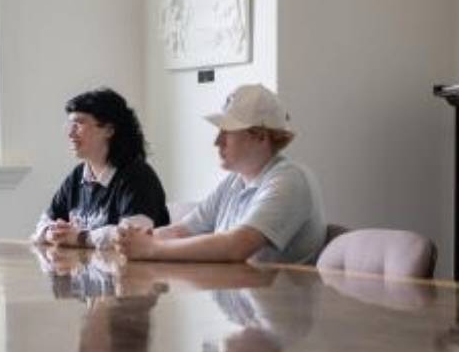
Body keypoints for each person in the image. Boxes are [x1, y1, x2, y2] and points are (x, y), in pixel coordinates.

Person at [115, 84, 325, 264]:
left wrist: (151, 249)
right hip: (240, 300)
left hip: (281, 307)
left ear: (261, 137)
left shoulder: (289, 180)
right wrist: (137, 239)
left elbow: (237, 245)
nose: (217, 142)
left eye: (227, 133)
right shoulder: (235, 180)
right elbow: (183, 231)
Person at [33, 88, 169, 250]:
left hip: (136, 273)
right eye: (70, 124)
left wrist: (80, 237)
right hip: (90, 270)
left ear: (109, 130)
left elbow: (133, 235)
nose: (70, 133)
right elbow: (44, 222)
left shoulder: (137, 176)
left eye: (79, 123)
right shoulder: (78, 176)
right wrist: (51, 232)